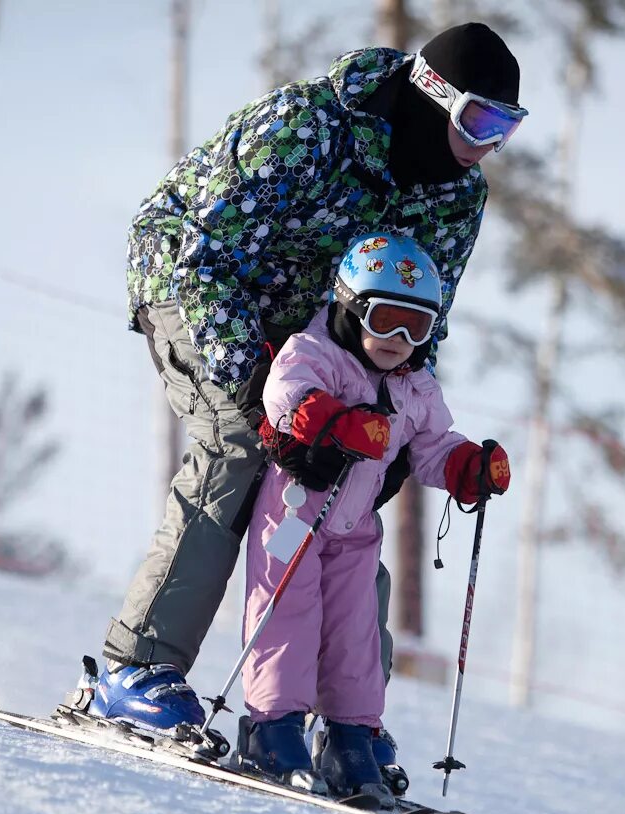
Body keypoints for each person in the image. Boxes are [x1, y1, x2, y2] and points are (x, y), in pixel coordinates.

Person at [90, 23, 524, 758]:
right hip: (198, 291)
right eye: (480, 119)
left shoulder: (458, 197)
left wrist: (389, 447)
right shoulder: (310, 125)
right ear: (434, 94)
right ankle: (138, 669)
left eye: (506, 127)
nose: (489, 144)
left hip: (322, 332)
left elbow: (424, 322)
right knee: (238, 445)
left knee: (345, 504)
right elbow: (200, 255)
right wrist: (265, 393)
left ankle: (344, 720)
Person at [231, 233, 510, 806]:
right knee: (289, 616)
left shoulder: (416, 386)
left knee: (356, 633)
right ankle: (273, 730)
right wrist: (337, 422)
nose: (399, 340)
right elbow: (286, 394)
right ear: (351, 307)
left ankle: (350, 740)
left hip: (355, 530)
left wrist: (466, 467)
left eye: (418, 327)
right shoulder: (316, 352)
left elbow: (433, 444)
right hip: (296, 516)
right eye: (386, 320)